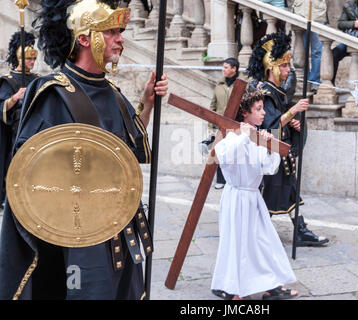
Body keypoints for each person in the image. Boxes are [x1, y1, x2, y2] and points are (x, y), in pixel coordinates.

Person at [0, 0, 168, 300]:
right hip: (79, 235)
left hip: (121, 229)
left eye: (121, 31)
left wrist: (148, 103)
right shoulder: (52, 92)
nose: (120, 39)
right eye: (112, 31)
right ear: (85, 38)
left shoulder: (113, 93)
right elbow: (28, 177)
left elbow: (130, 152)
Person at [211, 87, 298, 300]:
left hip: (253, 197)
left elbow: (268, 168)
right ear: (244, 113)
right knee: (235, 243)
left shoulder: (258, 136)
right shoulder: (229, 136)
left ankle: (272, 284)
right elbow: (224, 157)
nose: (264, 113)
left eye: (262, 108)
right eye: (258, 109)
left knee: (263, 240)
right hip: (236, 197)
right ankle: (229, 287)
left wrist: (268, 147)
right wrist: (245, 137)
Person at [248, 31, 329, 247]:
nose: (287, 70)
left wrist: (293, 123)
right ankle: (254, 233)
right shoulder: (264, 92)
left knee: (290, 191)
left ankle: (300, 231)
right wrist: (293, 111)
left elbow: (280, 122)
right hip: (270, 152)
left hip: (279, 151)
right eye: (283, 66)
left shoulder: (276, 90)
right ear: (272, 67)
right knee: (271, 195)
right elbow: (270, 126)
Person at [0, 31, 38, 210]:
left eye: (34, 59)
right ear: (20, 58)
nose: (32, 62)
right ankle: (12, 201)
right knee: (14, 166)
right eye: (29, 59)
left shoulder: (37, 80)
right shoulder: (8, 81)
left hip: (35, 129)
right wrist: (15, 98)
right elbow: (2, 107)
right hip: (16, 132)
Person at [207, 57, 245, 189]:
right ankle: (221, 180)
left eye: (226, 67)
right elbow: (213, 106)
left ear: (234, 69)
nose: (223, 70)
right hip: (220, 125)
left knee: (235, 153)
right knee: (219, 152)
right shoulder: (219, 85)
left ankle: (235, 179)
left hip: (236, 125)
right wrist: (211, 125)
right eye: (223, 67)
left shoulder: (242, 85)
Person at [292, 0, 328, 92]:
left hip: (317, 13)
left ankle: (314, 81)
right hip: (300, 11)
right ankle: (304, 79)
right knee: (301, 50)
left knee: (317, 51)